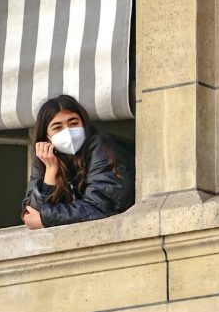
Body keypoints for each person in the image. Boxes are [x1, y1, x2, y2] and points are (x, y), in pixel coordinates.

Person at [21, 95, 135, 229]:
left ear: (83, 123)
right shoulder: (46, 158)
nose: (68, 131)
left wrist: (47, 218)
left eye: (73, 123)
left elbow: (100, 206)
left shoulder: (102, 147)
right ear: (47, 137)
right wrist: (50, 172)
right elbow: (32, 214)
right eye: (57, 127)